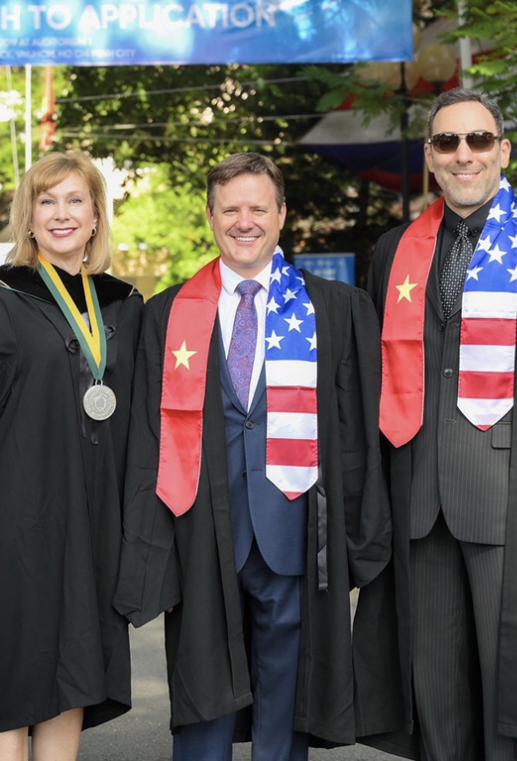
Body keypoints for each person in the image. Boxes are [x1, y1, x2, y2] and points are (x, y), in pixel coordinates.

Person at [114, 152, 390, 760]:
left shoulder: (334, 309)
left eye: (258, 208)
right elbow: (146, 438)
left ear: (281, 214)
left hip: (292, 521)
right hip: (203, 525)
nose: (245, 221)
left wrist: (360, 530)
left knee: (285, 692)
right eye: (230, 209)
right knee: (204, 684)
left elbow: (355, 431)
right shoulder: (166, 315)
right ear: (210, 217)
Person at [355, 88, 517, 760]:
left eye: (478, 140)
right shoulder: (392, 254)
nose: (463, 154)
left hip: (516, 505)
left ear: (502, 151)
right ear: (429, 156)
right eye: (447, 142)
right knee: (435, 701)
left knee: (513, 700)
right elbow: (374, 386)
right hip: (418, 503)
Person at [0, 151, 142, 761]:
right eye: (46, 201)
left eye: (75, 200)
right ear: (27, 218)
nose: (61, 214)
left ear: (95, 216)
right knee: (15, 671)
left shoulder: (123, 306)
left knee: (78, 665)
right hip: (15, 523)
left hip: (94, 522)